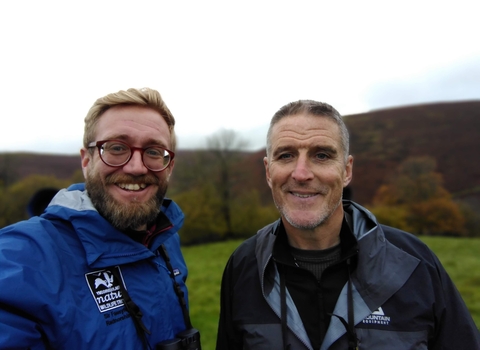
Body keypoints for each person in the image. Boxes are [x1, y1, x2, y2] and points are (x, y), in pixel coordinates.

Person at [216, 100, 480, 349]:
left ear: (346, 170)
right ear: (268, 171)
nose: (301, 173)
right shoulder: (244, 267)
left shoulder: (414, 264)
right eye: (285, 155)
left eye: (321, 155)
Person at [0, 88, 200, 349]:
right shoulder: (20, 258)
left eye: (153, 151)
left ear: (169, 167)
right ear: (87, 160)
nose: (137, 167)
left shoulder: (166, 241)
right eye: (116, 147)